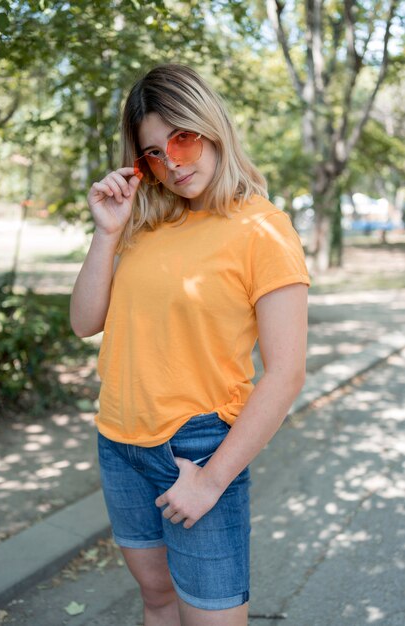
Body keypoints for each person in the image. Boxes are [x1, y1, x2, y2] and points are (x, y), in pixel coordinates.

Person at [70, 63, 310, 626]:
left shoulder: (264, 230)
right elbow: (85, 322)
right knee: (156, 601)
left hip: (197, 451)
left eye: (182, 137)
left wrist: (210, 480)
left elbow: (286, 374)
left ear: (212, 125)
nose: (172, 162)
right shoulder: (145, 223)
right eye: (153, 152)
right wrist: (107, 233)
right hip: (119, 441)